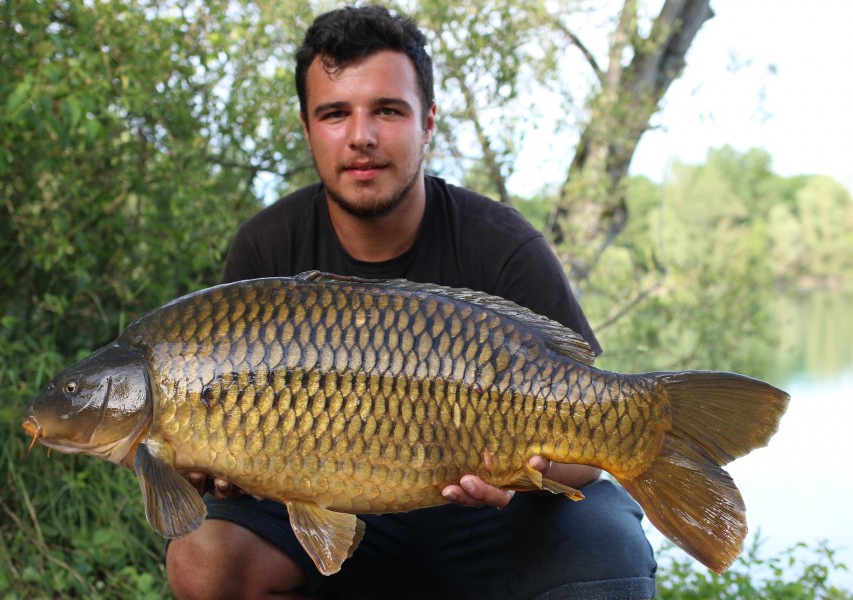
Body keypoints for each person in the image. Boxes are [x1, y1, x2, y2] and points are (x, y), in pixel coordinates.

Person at [166, 6, 656, 599]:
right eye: (334, 113)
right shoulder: (268, 246)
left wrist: (524, 473)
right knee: (204, 559)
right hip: (339, 518)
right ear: (307, 128)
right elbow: (239, 452)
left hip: (493, 521)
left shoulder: (503, 246)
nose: (361, 136)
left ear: (427, 123)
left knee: (611, 553)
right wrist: (212, 464)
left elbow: (589, 457)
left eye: (388, 111)